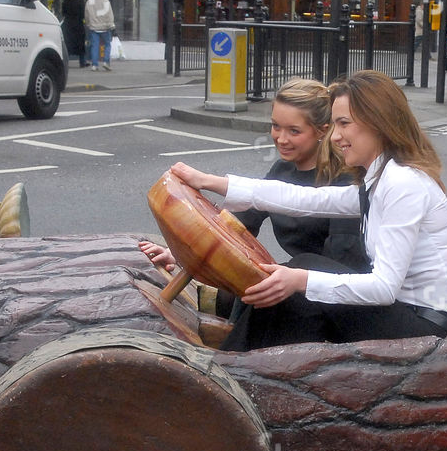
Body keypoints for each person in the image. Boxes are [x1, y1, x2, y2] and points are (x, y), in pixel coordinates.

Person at [165, 69, 447, 351]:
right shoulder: (382, 179)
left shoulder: (403, 183)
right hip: (413, 316)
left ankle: (236, 367)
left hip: (438, 331)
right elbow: (304, 199)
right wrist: (210, 181)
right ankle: (251, 366)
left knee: (300, 280)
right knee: (299, 277)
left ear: (379, 124)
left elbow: (384, 287)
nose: (336, 136)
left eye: (344, 124)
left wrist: (299, 280)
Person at [140, 78, 369, 309]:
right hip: (298, 275)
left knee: (250, 296)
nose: (281, 138)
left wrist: (286, 278)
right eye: (276, 126)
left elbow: (341, 261)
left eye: (294, 131)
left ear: (323, 131)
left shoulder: (345, 180)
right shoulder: (282, 170)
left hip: (331, 290)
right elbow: (237, 225)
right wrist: (182, 255)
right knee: (234, 295)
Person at [84, 0, 115, 72]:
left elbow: (87, 15)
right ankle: (106, 62)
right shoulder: (106, 1)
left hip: (94, 27)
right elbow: (110, 15)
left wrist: (88, 24)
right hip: (105, 27)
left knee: (95, 46)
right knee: (107, 44)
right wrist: (111, 25)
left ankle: (94, 65)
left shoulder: (89, 2)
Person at [60, 0, 87, 70]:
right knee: (80, 43)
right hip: (78, 24)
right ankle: (82, 62)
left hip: (68, 24)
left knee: (68, 43)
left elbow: (63, 12)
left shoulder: (66, 0)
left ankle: (65, 62)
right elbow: (83, 13)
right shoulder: (80, 0)